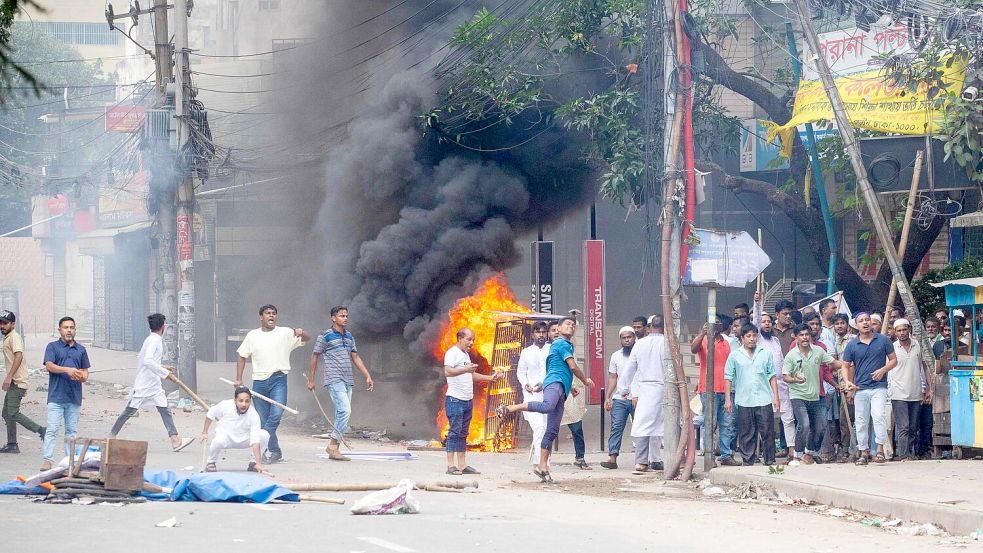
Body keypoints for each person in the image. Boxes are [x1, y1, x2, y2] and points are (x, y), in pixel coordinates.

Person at [497, 317, 594, 483]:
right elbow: (572, 367)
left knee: (551, 431)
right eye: (566, 324)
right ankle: (511, 408)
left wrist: (569, 386)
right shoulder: (560, 344)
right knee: (545, 413)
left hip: (557, 389)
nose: (570, 326)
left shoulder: (557, 346)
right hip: (550, 387)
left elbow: (558, 369)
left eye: (572, 325)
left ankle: (543, 467)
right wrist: (585, 381)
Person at [108, 313, 193, 451]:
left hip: (154, 384)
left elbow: (143, 358)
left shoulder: (150, 339)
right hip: (145, 384)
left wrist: (162, 367)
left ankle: (175, 440)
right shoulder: (155, 340)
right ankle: (111, 436)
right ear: (163, 326)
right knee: (129, 411)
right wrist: (165, 374)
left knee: (165, 409)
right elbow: (147, 361)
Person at [236, 304, 309, 463]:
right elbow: (242, 355)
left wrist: (301, 333)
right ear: (261, 317)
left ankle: (260, 446)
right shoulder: (252, 335)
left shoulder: (285, 332)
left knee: (275, 415)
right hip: (259, 382)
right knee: (264, 419)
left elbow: (306, 339)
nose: (271, 316)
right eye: (267, 313)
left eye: (274, 313)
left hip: (279, 379)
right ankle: (275, 452)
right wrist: (239, 379)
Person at [308, 306, 372, 462]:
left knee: (341, 413)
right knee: (345, 411)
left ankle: (335, 449)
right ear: (333, 318)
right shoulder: (325, 336)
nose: (345, 318)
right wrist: (311, 379)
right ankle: (332, 445)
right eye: (342, 315)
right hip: (334, 379)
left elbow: (355, 357)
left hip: (347, 380)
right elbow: (315, 356)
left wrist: (367, 375)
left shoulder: (349, 336)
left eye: (346, 316)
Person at [442, 328, 503, 475]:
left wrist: (490, 378)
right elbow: (448, 371)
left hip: (467, 400)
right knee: (454, 432)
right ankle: (450, 466)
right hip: (455, 400)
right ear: (460, 338)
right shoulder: (452, 353)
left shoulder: (465, 355)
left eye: (473, 340)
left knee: (463, 433)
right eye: (469, 339)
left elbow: (471, 375)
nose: (472, 342)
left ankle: (462, 465)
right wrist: (465, 369)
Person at [783, 324, 845, 465]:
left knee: (821, 426)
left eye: (806, 334)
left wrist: (848, 364)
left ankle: (809, 453)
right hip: (798, 395)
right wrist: (795, 380)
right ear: (796, 337)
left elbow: (833, 363)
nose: (804, 337)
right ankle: (797, 455)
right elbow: (785, 377)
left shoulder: (818, 351)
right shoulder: (791, 355)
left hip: (816, 396)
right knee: (804, 424)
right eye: (801, 335)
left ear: (810, 336)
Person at [843, 312, 897, 465]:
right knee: (860, 421)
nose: (865, 323)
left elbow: (894, 360)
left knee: (879, 416)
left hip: (879, 387)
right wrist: (848, 382)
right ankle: (864, 451)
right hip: (860, 388)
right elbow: (845, 366)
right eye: (861, 321)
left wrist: (883, 370)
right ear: (856, 325)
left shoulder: (883, 340)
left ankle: (879, 450)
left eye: (868, 320)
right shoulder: (852, 345)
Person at [724, 324, 779, 466]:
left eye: (754, 336)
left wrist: (776, 396)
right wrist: (727, 400)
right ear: (742, 338)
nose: (752, 339)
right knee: (747, 432)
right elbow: (728, 377)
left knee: (767, 431)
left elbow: (772, 376)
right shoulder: (735, 356)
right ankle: (748, 460)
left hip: (764, 398)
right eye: (748, 336)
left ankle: (769, 460)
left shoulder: (765, 353)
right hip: (744, 399)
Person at [41, 317, 90, 470]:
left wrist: (80, 376)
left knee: (71, 432)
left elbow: (85, 374)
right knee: (52, 429)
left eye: (72, 327)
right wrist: (68, 370)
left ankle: (70, 462)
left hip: (74, 398)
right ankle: (47, 460)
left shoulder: (81, 350)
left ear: (75, 330)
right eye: (66, 327)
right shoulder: (52, 347)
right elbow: (49, 366)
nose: (69, 330)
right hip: (56, 397)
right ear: (59, 330)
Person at [691, 314, 737, 466]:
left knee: (726, 424)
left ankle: (725, 455)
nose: (715, 326)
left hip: (725, 389)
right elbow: (693, 349)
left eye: (717, 323)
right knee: (709, 423)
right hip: (708, 390)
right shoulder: (703, 339)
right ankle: (709, 455)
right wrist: (703, 333)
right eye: (712, 323)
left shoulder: (726, 343)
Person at [623, 317, 666, 472]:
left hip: (645, 389)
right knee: (661, 425)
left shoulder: (640, 344)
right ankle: (668, 459)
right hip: (663, 388)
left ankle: (644, 461)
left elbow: (630, 368)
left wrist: (623, 389)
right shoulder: (668, 343)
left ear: (649, 327)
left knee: (644, 425)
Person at [889, 319, 932, 461]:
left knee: (913, 427)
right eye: (899, 330)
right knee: (903, 426)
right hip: (898, 392)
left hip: (916, 392)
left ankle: (910, 453)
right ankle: (903, 454)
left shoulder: (918, 346)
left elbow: (925, 367)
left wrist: (929, 388)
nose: (902, 333)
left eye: (904, 330)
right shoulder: (892, 348)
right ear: (895, 332)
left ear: (909, 329)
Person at [1, 310, 44, 454]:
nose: (2, 326)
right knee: (6, 413)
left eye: (5, 323)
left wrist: (9, 377)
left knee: (12, 413)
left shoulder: (15, 338)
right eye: (1, 323)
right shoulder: (8, 337)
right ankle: (12, 444)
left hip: (17, 381)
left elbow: (18, 356)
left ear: (13, 324)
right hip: (14, 381)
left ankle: (41, 430)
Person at [755, 307, 795, 459]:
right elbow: (755, 318)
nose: (766, 324)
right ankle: (766, 453)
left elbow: (782, 362)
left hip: (782, 385)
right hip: (765, 386)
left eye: (769, 322)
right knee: (766, 422)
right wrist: (757, 302)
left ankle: (792, 451)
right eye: (763, 322)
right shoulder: (758, 339)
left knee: (788, 419)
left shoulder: (776, 341)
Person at [201, 386, 269, 473]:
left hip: (244, 439)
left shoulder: (254, 415)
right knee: (217, 441)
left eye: (247, 401)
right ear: (235, 400)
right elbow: (210, 414)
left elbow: (255, 440)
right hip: (226, 438)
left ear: (250, 401)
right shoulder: (225, 405)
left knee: (264, 435)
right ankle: (211, 462)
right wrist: (205, 432)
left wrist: (259, 463)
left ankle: (254, 463)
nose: (244, 404)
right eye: (241, 401)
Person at [602, 326, 636, 469]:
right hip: (620, 398)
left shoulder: (640, 353)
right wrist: (608, 397)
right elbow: (613, 377)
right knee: (616, 427)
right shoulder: (616, 356)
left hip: (637, 398)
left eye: (629, 337)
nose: (627, 340)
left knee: (641, 428)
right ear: (620, 340)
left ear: (634, 337)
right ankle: (612, 459)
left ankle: (643, 459)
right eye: (624, 338)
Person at [517, 321, 549, 468]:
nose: (541, 335)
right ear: (532, 334)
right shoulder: (526, 352)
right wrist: (526, 384)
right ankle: (541, 463)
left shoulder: (552, 349)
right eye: (538, 332)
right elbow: (521, 372)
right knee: (539, 427)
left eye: (543, 332)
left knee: (547, 429)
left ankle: (542, 461)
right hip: (531, 397)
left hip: (549, 396)